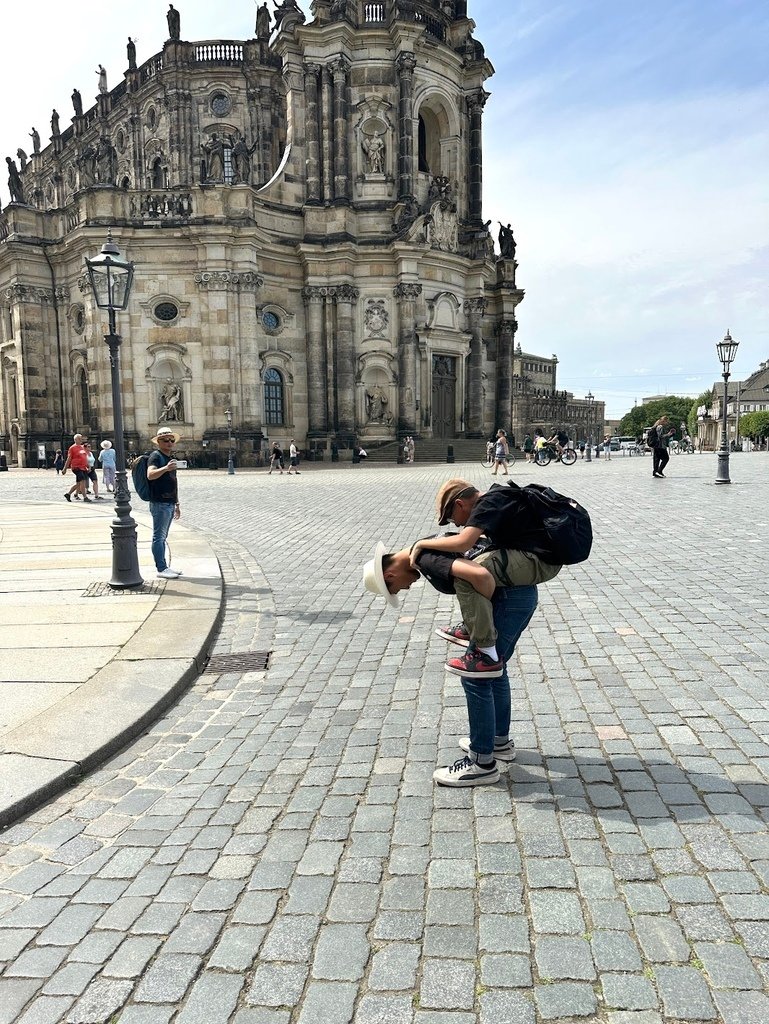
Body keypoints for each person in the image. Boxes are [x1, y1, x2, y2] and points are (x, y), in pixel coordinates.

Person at [363, 528, 546, 788]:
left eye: (395, 588)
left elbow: (480, 575)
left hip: (509, 598)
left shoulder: (424, 558)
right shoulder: (431, 546)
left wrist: (490, 607)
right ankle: (497, 742)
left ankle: (482, 763)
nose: (405, 588)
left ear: (389, 574)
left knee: (476, 676)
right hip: (520, 594)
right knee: (495, 669)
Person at [408, 478, 561, 680]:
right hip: (537, 555)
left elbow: (464, 542)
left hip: (540, 561)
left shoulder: (488, 503)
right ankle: (472, 625)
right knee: (472, 564)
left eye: (453, 519)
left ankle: (486, 656)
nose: (459, 524)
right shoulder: (493, 498)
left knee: (466, 574)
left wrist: (421, 544)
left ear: (460, 504)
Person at [147, 426, 182, 579]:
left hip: (169, 502)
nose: (169, 443)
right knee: (159, 537)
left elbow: (173, 481)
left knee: (163, 536)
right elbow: (150, 475)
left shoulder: (169, 457)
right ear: (158, 442)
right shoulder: (155, 456)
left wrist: (177, 503)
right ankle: (161, 568)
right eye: (165, 440)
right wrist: (166, 468)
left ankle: (165, 566)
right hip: (159, 502)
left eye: (171, 440)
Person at [63, 433, 90, 502]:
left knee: (79, 483)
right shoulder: (72, 448)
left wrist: (88, 466)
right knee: (82, 481)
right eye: (80, 438)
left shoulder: (82, 447)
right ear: (76, 439)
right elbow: (69, 458)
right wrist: (65, 468)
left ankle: (68, 494)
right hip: (76, 467)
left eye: (81, 438)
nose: (81, 440)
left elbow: (85, 457)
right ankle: (85, 497)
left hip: (83, 467)